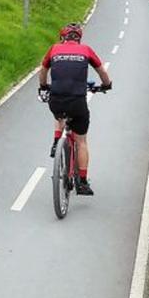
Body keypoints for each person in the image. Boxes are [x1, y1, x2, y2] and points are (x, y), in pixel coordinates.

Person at [37, 23, 112, 195]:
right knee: (81, 141)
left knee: (59, 114)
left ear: (62, 38)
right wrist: (106, 85)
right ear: (79, 38)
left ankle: (57, 142)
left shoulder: (54, 49)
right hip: (78, 102)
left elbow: (43, 70)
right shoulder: (86, 50)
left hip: (56, 100)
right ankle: (83, 182)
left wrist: (43, 86)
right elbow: (102, 72)